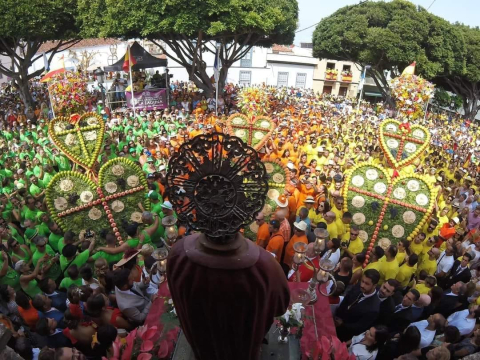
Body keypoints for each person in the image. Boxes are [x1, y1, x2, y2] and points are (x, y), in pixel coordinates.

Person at [335, 269, 382, 341]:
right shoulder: (358, 286)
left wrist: (342, 324)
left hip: (345, 334)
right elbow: (346, 299)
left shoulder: (373, 308)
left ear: (374, 285)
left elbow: (359, 327)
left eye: (367, 283)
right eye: (362, 281)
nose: (362, 285)